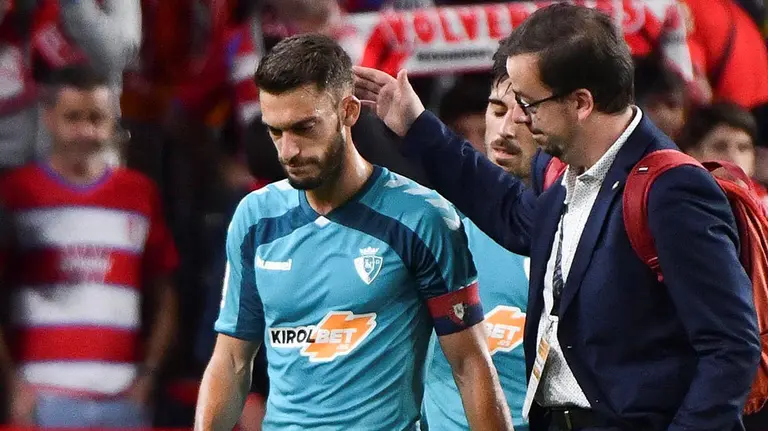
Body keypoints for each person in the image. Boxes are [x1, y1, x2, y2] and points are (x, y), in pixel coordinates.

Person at [354, 3, 760, 430]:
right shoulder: (559, 170)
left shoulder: (670, 190)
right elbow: (512, 213)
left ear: (581, 103)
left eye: (528, 104)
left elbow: (731, 347)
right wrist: (417, 126)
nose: (519, 119)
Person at [194, 34, 513, 431]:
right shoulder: (255, 218)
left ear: (348, 112)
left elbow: (470, 363)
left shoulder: (422, 217)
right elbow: (231, 361)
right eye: (276, 132)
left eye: (304, 128)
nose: (288, 150)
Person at [0, 64, 179, 427]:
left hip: (122, 401)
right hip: (42, 400)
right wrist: (12, 385)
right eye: (73, 118)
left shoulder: (139, 193)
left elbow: (167, 294)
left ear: (113, 120)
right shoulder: (17, 193)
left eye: (97, 118)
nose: (85, 131)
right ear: (49, 118)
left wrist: (147, 377)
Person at [421, 49, 535, 431]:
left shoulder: (590, 234)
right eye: (497, 111)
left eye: (524, 114)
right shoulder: (435, 228)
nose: (505, 130)